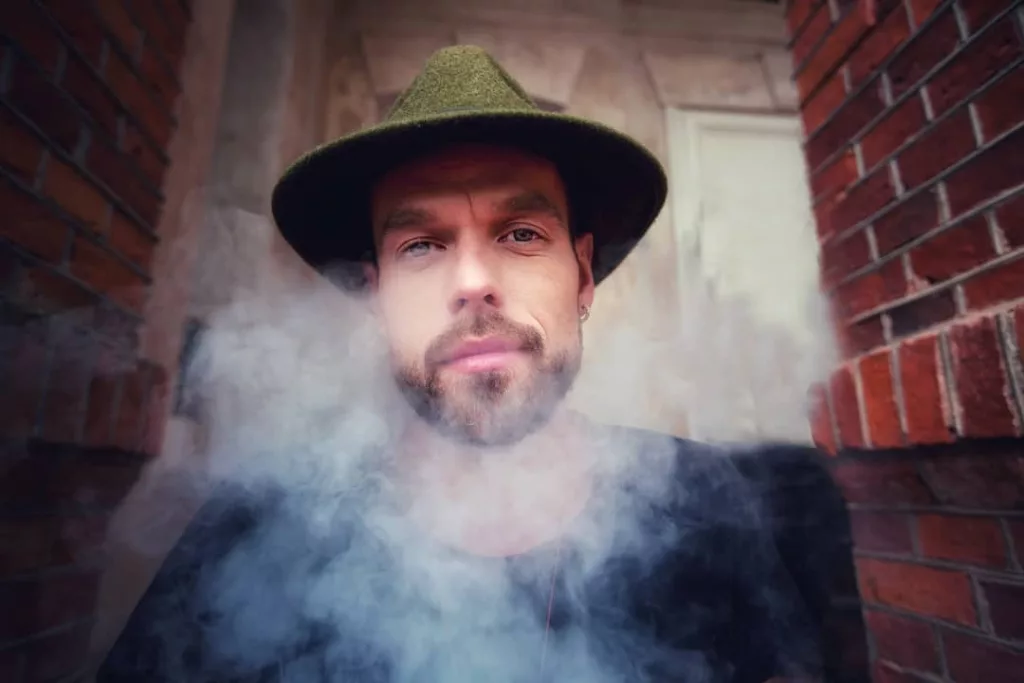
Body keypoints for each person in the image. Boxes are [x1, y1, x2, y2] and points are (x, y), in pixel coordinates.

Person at [96, 46, 840, 683]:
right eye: (421, 245)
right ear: (374, 295)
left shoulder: (703, 499)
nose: (473, 281)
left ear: (583, 275)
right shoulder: (251, 527)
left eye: (520, 233)